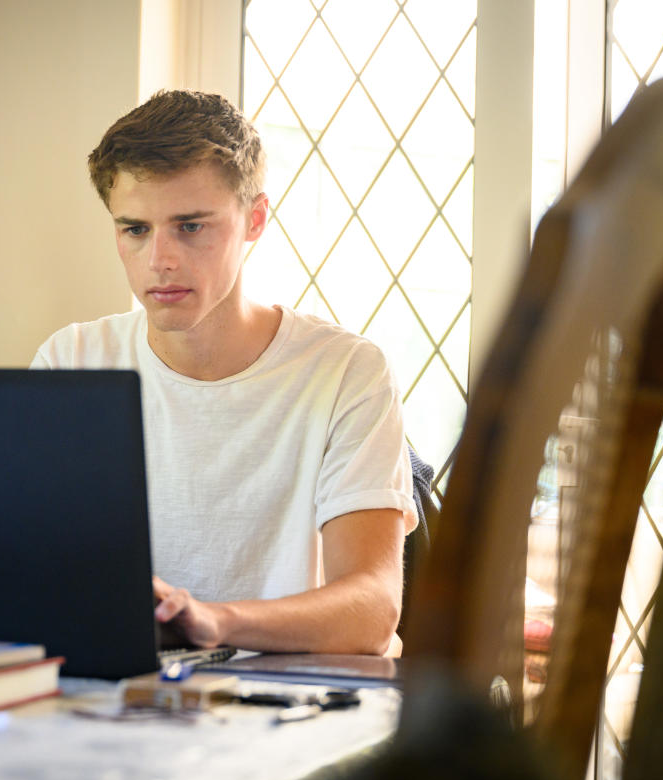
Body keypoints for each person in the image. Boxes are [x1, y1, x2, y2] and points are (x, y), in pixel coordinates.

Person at [32, 90, 417, 656]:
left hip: (290, 706)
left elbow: (372, 608)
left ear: (254, 219)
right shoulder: (73, 360)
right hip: (122, 697)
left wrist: (214, 621)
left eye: (190, 227)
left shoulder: (344, 372)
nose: (159, 259)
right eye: (134, 229)